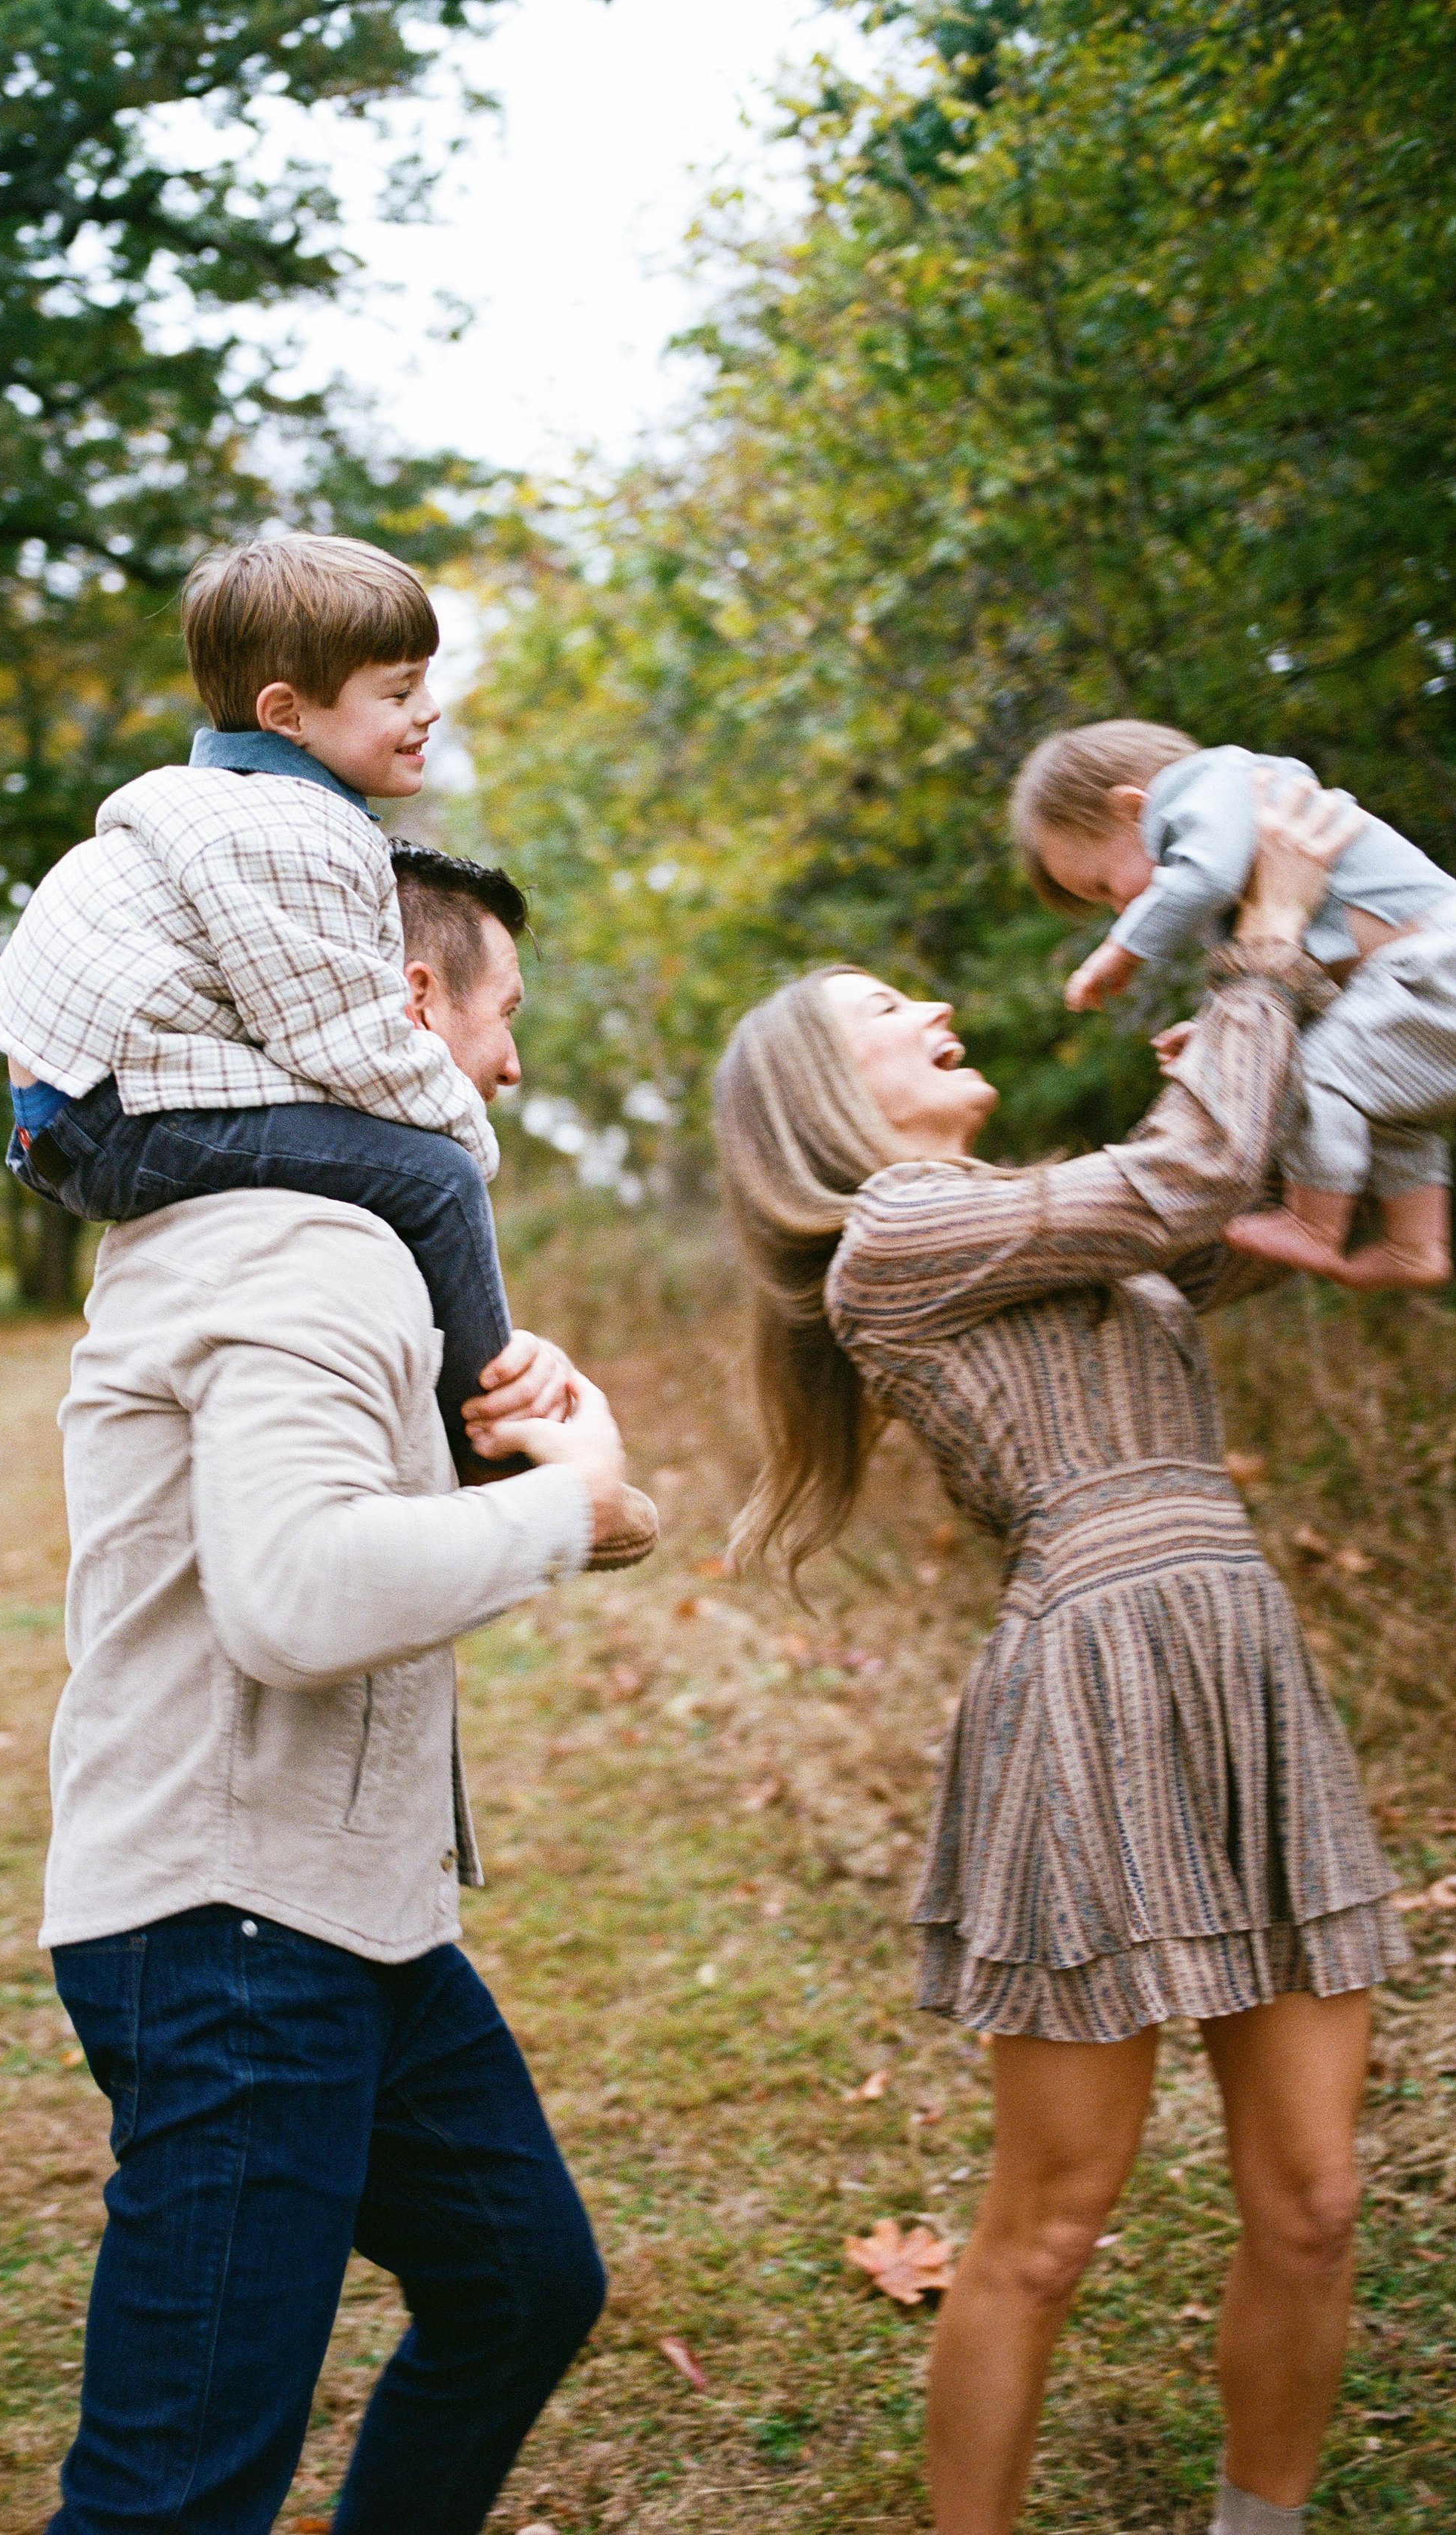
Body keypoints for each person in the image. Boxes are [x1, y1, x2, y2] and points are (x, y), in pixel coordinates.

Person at [711, 778, 1408, 2535]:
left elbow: (1213, 1208)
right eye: (889, 1013)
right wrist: (1258, 938)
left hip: (1239, 1661)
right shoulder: (897, 1239)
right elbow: (1176, 1171)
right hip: (1090, 1690)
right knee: (1054, 2214)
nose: (934, 1010)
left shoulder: (1024, 1209)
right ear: (821, 1099)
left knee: (1316, 2193)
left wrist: (1289, 1030)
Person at [41, 846, 647, 2535]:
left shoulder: (335, 1236)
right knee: (173, 2495)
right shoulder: (300, 1244)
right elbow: (295, 1596)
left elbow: (338, 1537)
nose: (515, 1063)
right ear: (409, 1004)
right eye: (502, 1013)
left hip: (349, 1916)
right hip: (231, 1938)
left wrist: (538, 1481)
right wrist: (566, 1506)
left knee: (522, 2279)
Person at [0, 531, 653, 1560]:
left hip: (92, 1110)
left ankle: (427, 1403)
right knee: (429, 1172)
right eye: (396, 692)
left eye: (427, 682)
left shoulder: (225, 809)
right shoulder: (292, 827)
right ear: (288, 713)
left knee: (399, 1160)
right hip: (116, 1116)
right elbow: (352, 1043)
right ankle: (490, 1443)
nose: (427, 713)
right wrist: (470, 1144)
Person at [1010, 719, 1456, 1290]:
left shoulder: (1216, 785)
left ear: (1132, 807)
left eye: (1102, 885)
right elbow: (1293, 975)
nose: (1119, 911)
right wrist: (1219, 1033)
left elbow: (1206, 876)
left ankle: (1315, 1224)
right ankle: (1417, 1245)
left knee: (1317, 1077)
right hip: (1410, 993)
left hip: (1431, 967)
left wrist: (1119, 953)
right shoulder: (1245, 842)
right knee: (1385, 1112)